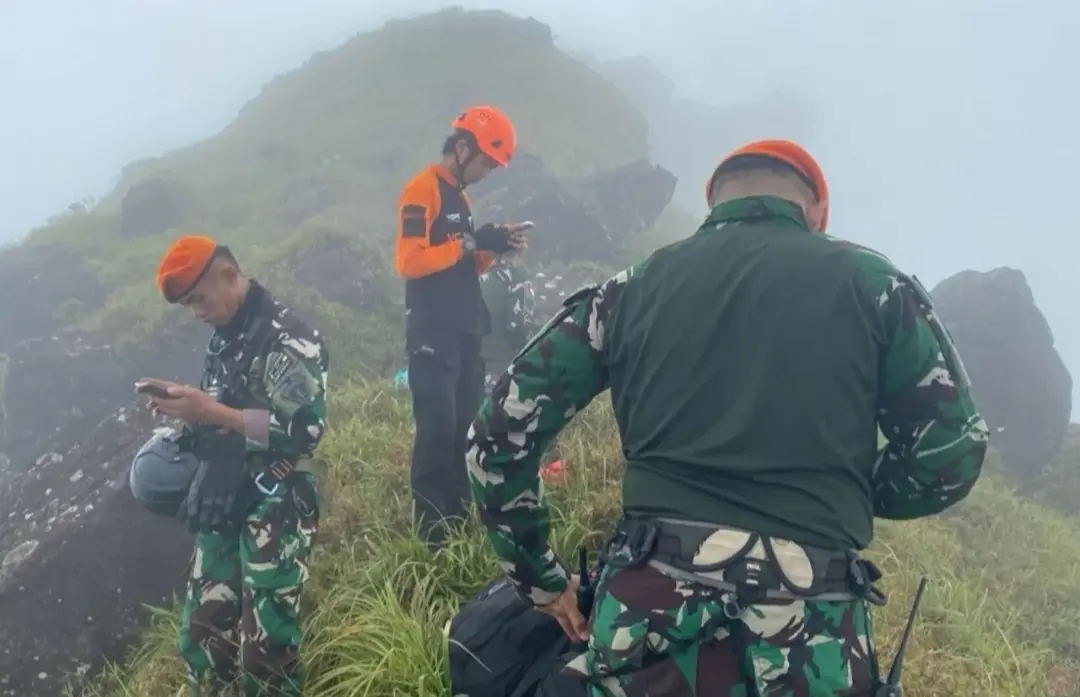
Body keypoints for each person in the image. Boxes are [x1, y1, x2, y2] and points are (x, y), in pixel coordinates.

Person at [465, 139, 990, 697]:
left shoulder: (631, 289)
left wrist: (543, 582)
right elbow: (953, 448)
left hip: (647, 612)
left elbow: (496, 437)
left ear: (714, 201)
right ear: (815, 212)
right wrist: (857, 491)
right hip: (817, 629)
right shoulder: (877, 287)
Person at [144, 235, 329, 697]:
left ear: (230, 276)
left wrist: (211, 411)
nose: (197, 312)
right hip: (225, 497)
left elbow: (303, 431)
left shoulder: (289, 337)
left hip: (279, 502)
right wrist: (186, 412)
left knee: (266, 646)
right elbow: (224, 412)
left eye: (200, 300)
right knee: (206, 633)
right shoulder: (225, 340)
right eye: (188, 306)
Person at [395, 104, 530, 546]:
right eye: (487, 161)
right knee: (436, 431)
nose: (489, 170)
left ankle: (457, 525)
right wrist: (469, 241)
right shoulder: (422, 189)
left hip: (467, 330)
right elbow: (411, 261)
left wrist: (493, 247)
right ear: (462, 147)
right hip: (432, 332)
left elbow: (463, 266)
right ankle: (432, 537)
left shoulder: (463, 199)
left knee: (464, 429)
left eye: (495, 164)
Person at [479, 246, 537, 392]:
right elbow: (519, 325)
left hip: (474, 363)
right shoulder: (517, 279)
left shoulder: (477, 276)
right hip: (504, 364)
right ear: (518, 255)